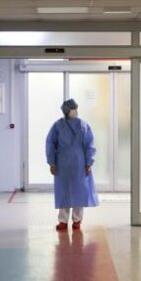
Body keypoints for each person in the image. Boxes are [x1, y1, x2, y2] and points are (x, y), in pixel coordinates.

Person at [45, 98, 99, 231]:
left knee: (79, 192)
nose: (75, 111)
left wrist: (88, 163)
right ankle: (63, 221)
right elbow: (50, 144)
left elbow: (89, 145)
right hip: (62, 164)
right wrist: (52, 163)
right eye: (73, 109)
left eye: (76, 108)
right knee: (63, 192)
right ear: (66, 111)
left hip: (79, 164)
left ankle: (77, 220)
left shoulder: (83, 125)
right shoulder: (58, 126)